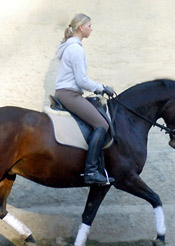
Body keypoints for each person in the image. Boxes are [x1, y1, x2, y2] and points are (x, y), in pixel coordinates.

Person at [55, 13, 114, 185]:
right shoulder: (76, 49)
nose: (91, 29)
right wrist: (102, 88)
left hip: (67, 92)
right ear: (81, 27)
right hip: (69, 94)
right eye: (89, 26)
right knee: (102, 124)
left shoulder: (71, 47)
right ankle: (91, 172)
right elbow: (81, 80)